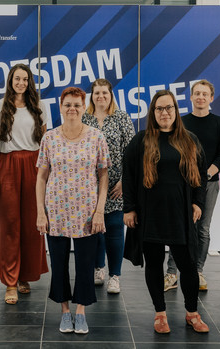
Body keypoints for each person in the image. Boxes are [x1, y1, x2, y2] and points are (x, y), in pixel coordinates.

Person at [122, 90, 211, 334]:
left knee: (189, 266)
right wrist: (128, 208)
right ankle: (160, 314)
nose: (165, 113)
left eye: (169, 108)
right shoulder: (141, 140)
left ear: (175, 110)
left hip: (180, 212)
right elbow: (128, 175)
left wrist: (198, 203)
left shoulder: (189, 139)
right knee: (154, 263)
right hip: (150, 213)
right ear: (153, 112)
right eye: (159, 109)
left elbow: (201, 176)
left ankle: (192, 313)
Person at [37, 87, 108, 335]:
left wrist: (100, 211)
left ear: (83, 106)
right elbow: (41, 177)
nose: (72, 109)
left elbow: (103, 175)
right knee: (58, 263)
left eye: (77, 105)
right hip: (55, 211)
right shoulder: (50, 138)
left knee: (85, 264)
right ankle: (65, 311)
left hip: (87, 213)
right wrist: (40, 212)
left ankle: (80, 311)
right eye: (67, 104)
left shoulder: (96, 137)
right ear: (60, 106)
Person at [0, 63, 51, 304]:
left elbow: (46, 143)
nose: (21, 83)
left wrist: (48, 174)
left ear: (30, 82)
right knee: (10, 225)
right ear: (10, 81)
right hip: (8, 164)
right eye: (17, 78)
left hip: (35, 165)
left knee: (32, 224)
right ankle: (10, 282)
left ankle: (24, 275)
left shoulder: (39, 106)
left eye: (25, 79)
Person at [164, 80, 220, 292]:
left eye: (205, 94)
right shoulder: (180, 122)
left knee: (202, 229)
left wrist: (209, 171)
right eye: (197, 93)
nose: (200, 97)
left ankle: (198, 271)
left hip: (209, 183)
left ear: (211, 98)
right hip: (182, 184)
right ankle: (172, 273)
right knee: (179, 227)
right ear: (191, 97)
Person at [82, 78, 135, 294]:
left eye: (105, 93)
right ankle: (98, 269)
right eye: (97, 93)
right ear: (92, 96)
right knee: (95, 230)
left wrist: (125, 181)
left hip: (117, 186)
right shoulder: (85, 119)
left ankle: (115, 276)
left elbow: (132, 152)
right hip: (89, 186)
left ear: (111, 95)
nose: (101, 96)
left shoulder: (121, 118)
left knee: (114, 229)